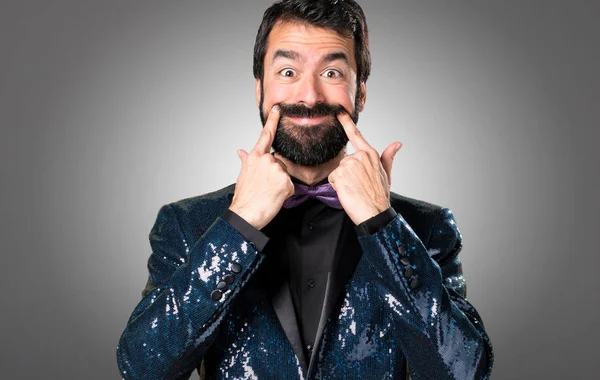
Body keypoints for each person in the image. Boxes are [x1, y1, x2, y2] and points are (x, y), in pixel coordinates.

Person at [116, 0, 494, 379]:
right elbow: (142, 369)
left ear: (360, 93)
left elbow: (461, 372)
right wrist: (239, 226)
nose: (309, 97)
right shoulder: (186, 224)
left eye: (331, 72)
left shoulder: (425, 227)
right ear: (259, 89)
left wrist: (382, 225)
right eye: (288, 71)